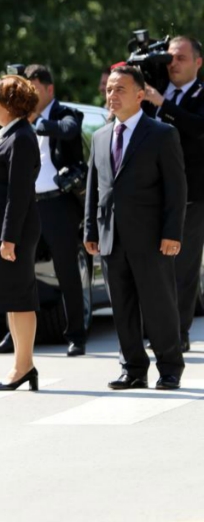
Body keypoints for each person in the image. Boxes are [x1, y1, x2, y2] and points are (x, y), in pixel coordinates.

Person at [85, 65, 186, 390]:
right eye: (109, 90)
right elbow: (94, 188)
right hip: (111, 236)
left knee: (158, 305)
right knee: (123, 307)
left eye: (120, 90)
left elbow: (176, 188)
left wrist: (173, 232)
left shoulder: (160, 134)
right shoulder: (101, 137)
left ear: (140, 95)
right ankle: (133, 368)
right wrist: (90, 230)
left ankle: (169, 367)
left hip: (152, 238)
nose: (112, 96)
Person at [0, 65, 88, 357]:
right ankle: (13, 336)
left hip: (56, 204)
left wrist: (35, 122)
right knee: (18, 272)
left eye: (34, 88)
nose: (29, 92)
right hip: (28, 205)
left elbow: (69, 130)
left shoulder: (63, 114)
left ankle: (76, 334)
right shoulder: (10, 125)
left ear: (48, 89)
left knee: (67, 270)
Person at [0, 74, 41, 391]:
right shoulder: (7, 134)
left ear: (11, 105)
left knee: (19, 297)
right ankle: (22, 364)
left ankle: (23, 366)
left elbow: (19, 193)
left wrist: (9, 237)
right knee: (11, 299)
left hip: (10, 228)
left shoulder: (22, 138)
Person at [142, 37, 204, 352]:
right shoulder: (154, 88)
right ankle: (156, 327)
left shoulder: (199, 94)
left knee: (183, 267)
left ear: (198, 62)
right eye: (169, 58)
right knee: (154, 265)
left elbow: (198, 127)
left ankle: (178, 332)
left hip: (191, 194)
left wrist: (163, 105)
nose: (173, 64)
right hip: (154, 193)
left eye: (180, 58)